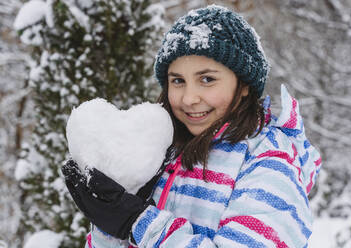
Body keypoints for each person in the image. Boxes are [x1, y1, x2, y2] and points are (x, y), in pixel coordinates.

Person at [62, 4, 321, 248]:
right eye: (177, 81)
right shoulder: (167, 152)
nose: (189, 98)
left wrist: (138, 223)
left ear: (243, 86)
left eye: (207, 79)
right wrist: (110, 225)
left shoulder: (270, 162)